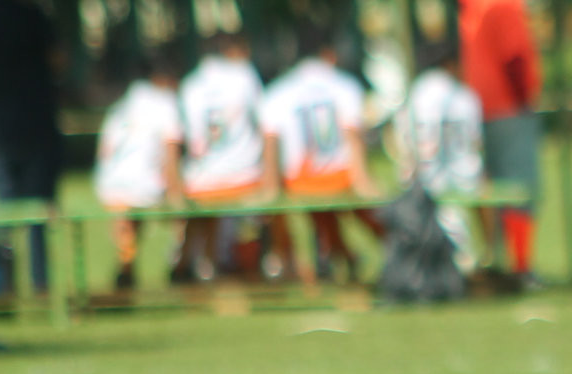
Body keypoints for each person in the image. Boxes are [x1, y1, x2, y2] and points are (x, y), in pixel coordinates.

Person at [261, 26, 382, 283]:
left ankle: (326, 262)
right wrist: (364, 182)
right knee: (367, 217)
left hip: (301, 182)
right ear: (329, 54)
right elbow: (354, 140)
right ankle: (361, 255)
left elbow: (270, 147)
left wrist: (270, 189)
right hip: (341, 178)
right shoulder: (345, 85)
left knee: (318, 213)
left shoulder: (278, 91)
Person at [0, 0, 61, 296]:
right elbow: (57, 60)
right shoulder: (35, 16)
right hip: (38, 123)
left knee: (3, 211)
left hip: (0, 126)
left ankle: (1, 285)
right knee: (39, 212)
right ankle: (41, 283)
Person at [459, 0, 540, 282]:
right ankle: (520, 267)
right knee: (518, 187)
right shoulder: (502, 4)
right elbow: (513, 55)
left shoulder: (472, 7)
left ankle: (492, 258)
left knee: (487, 187)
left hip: (473, 107)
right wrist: (524, 99)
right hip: (506, 106)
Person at [178, 31, 267, 281]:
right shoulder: (244, 75)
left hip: (202, 181)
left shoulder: (190, 84)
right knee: (256, 220)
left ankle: (193, 266)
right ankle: (259, 267)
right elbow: (266, 125)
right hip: (244, 178)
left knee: (203, 219)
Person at [92, 55, 182, 291]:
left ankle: (126, 266)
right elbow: (170, 150)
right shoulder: (165, 103)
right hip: (144, 183)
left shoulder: (121, 106)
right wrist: (176, 194)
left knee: (127, 220)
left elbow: (104, 151)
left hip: (110, 183)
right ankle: (183, 264)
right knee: (184, 215)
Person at [397, 39, 483, 271]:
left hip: (426, 176)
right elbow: (475, 141)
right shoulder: (462, 94)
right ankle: (480, 258)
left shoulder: (416, 93)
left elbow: (408, 141)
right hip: (464, 176)